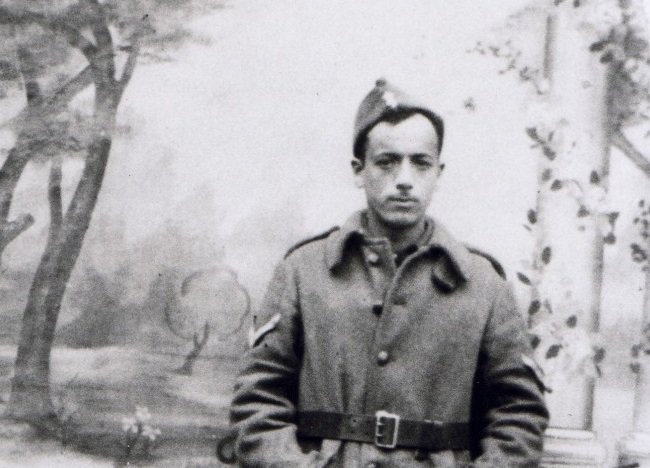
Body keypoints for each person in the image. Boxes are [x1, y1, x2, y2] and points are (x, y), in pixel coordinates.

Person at [228, 79, 549, 467]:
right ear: (359, 170)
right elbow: (258, 399)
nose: (405, 180)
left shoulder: (483, 284)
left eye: (421, 163)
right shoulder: (303, 271)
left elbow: (519, 415)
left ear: (438, 173)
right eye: (387, 162)